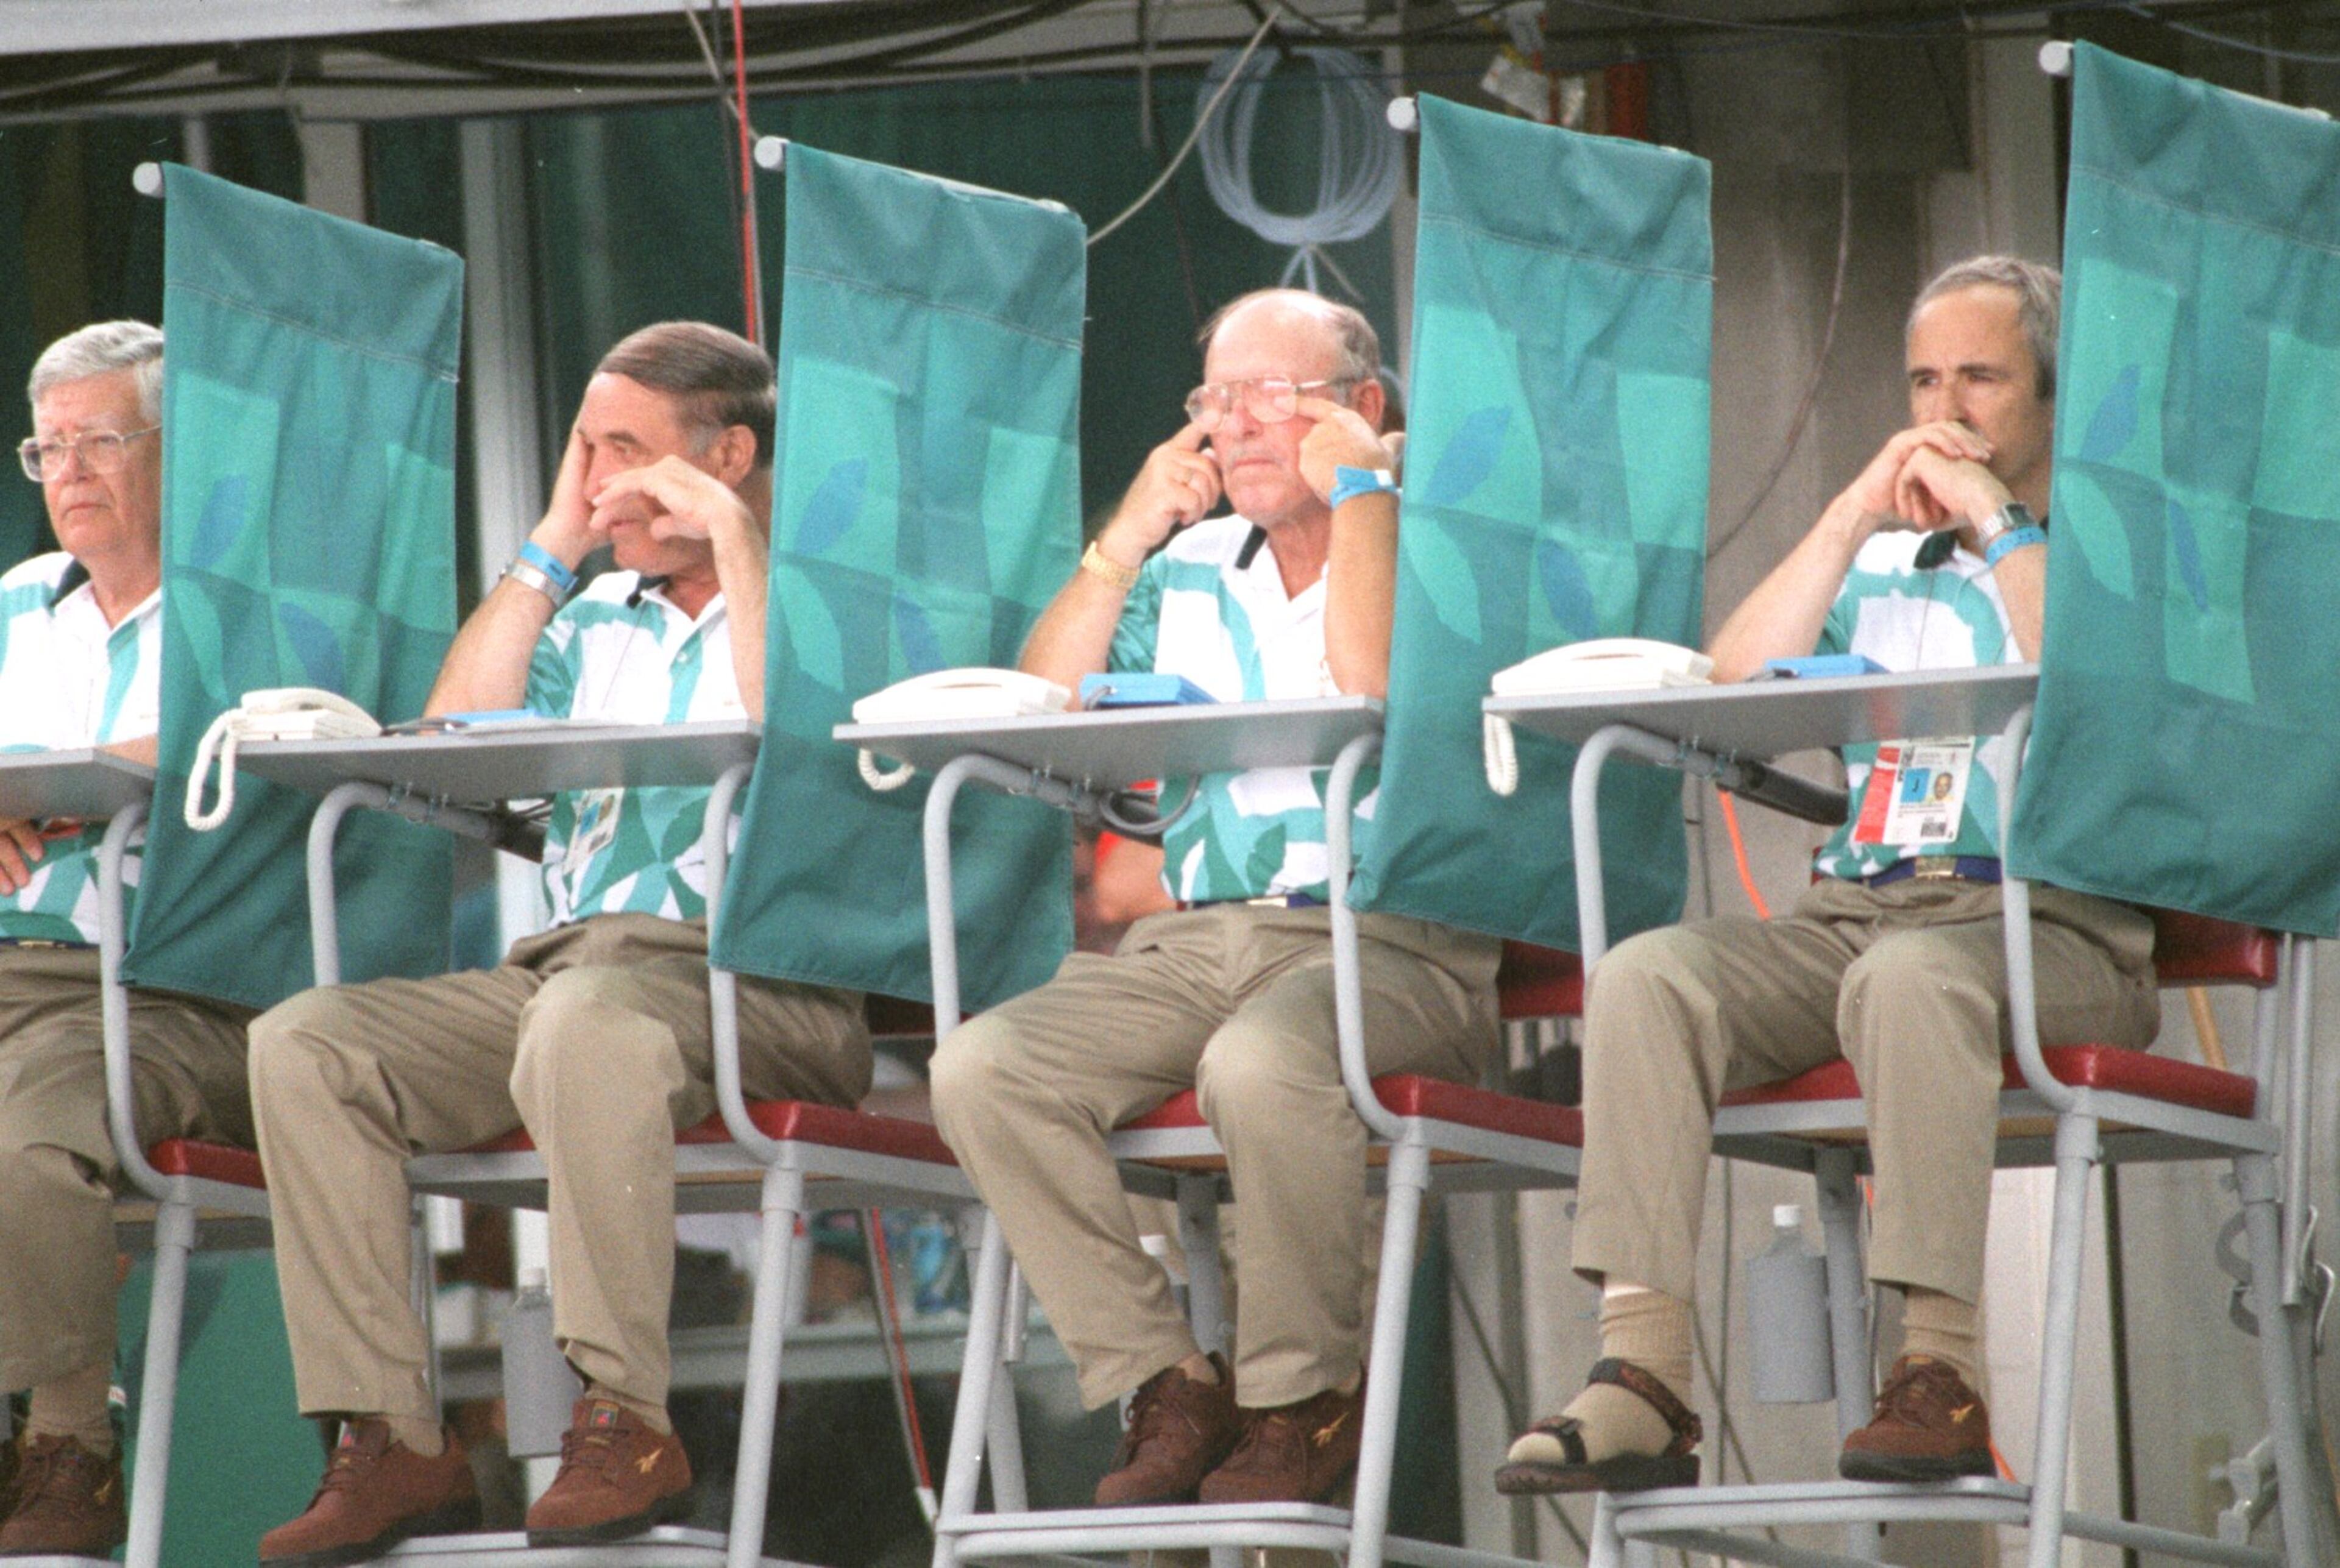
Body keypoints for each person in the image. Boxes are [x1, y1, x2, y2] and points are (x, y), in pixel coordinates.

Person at [1497, 257, 2159, 1495]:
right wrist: (1853, 512)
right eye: (1922, 379)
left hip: (2050, 922)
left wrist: (1997, 519)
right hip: (1858, 906)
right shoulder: (1882, 563)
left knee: (1910, 981)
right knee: (1646, 975)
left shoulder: (2103, 540)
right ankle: (1641, 1372)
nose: (1945, 405)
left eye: (1982, 376)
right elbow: (1733, 691)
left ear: (2054, 403)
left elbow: (2092, 682)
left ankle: (1941, 1368)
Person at [250, 322, 871, 1564]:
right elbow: (452, 739)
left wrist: (740, 538)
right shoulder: (594, 622)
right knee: (306, 1043)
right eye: (583, 449)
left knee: (589, 1027)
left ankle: (625, 1418)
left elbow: (791, 732)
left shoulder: (826, 591)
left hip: (761, 977)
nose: (594, 481)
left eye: (622, 452)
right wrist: (548, 550)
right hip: (571, 968)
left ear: (728, 456)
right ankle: (393, 1440)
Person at [930, 288, 1500, 1508]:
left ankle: (1302, 1398)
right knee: (984, 1066)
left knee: (1258, 1065)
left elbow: (1373, 679)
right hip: (1195, 942)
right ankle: (1168, 1381)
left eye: (1268, 395)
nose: (1233, 426)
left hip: (1387, 939)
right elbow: (1040, 702)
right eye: (1212, 400)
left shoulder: (1431, 535)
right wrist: (1120, 541)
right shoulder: (1188, 566)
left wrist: (1362, 494)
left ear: (1364, 409)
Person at [0, 320, 254, 1558]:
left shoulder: (234, 612)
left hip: (158, 987)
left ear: (174, 448)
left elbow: (240, 741)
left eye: (100, 439)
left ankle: (65, 1442)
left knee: (33, 1131)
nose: (69, 472)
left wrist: (62, 782)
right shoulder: (9, 609)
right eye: (48, 448)